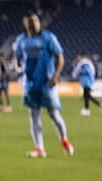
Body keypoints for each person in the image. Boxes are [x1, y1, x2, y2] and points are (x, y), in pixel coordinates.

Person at [13, 11, 73, 157]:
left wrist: (56, 76)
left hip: (47, 83)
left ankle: (64, 140)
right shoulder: (21, 40)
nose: (34, 23)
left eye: (36, 21)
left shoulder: (49, 37)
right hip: (30, 84)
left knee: (54, 115)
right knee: (34, 116)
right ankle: (39, 148)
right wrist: (17, 69)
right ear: (25, 23)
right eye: (31, 21)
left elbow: (60, 57)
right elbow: (17, 58)